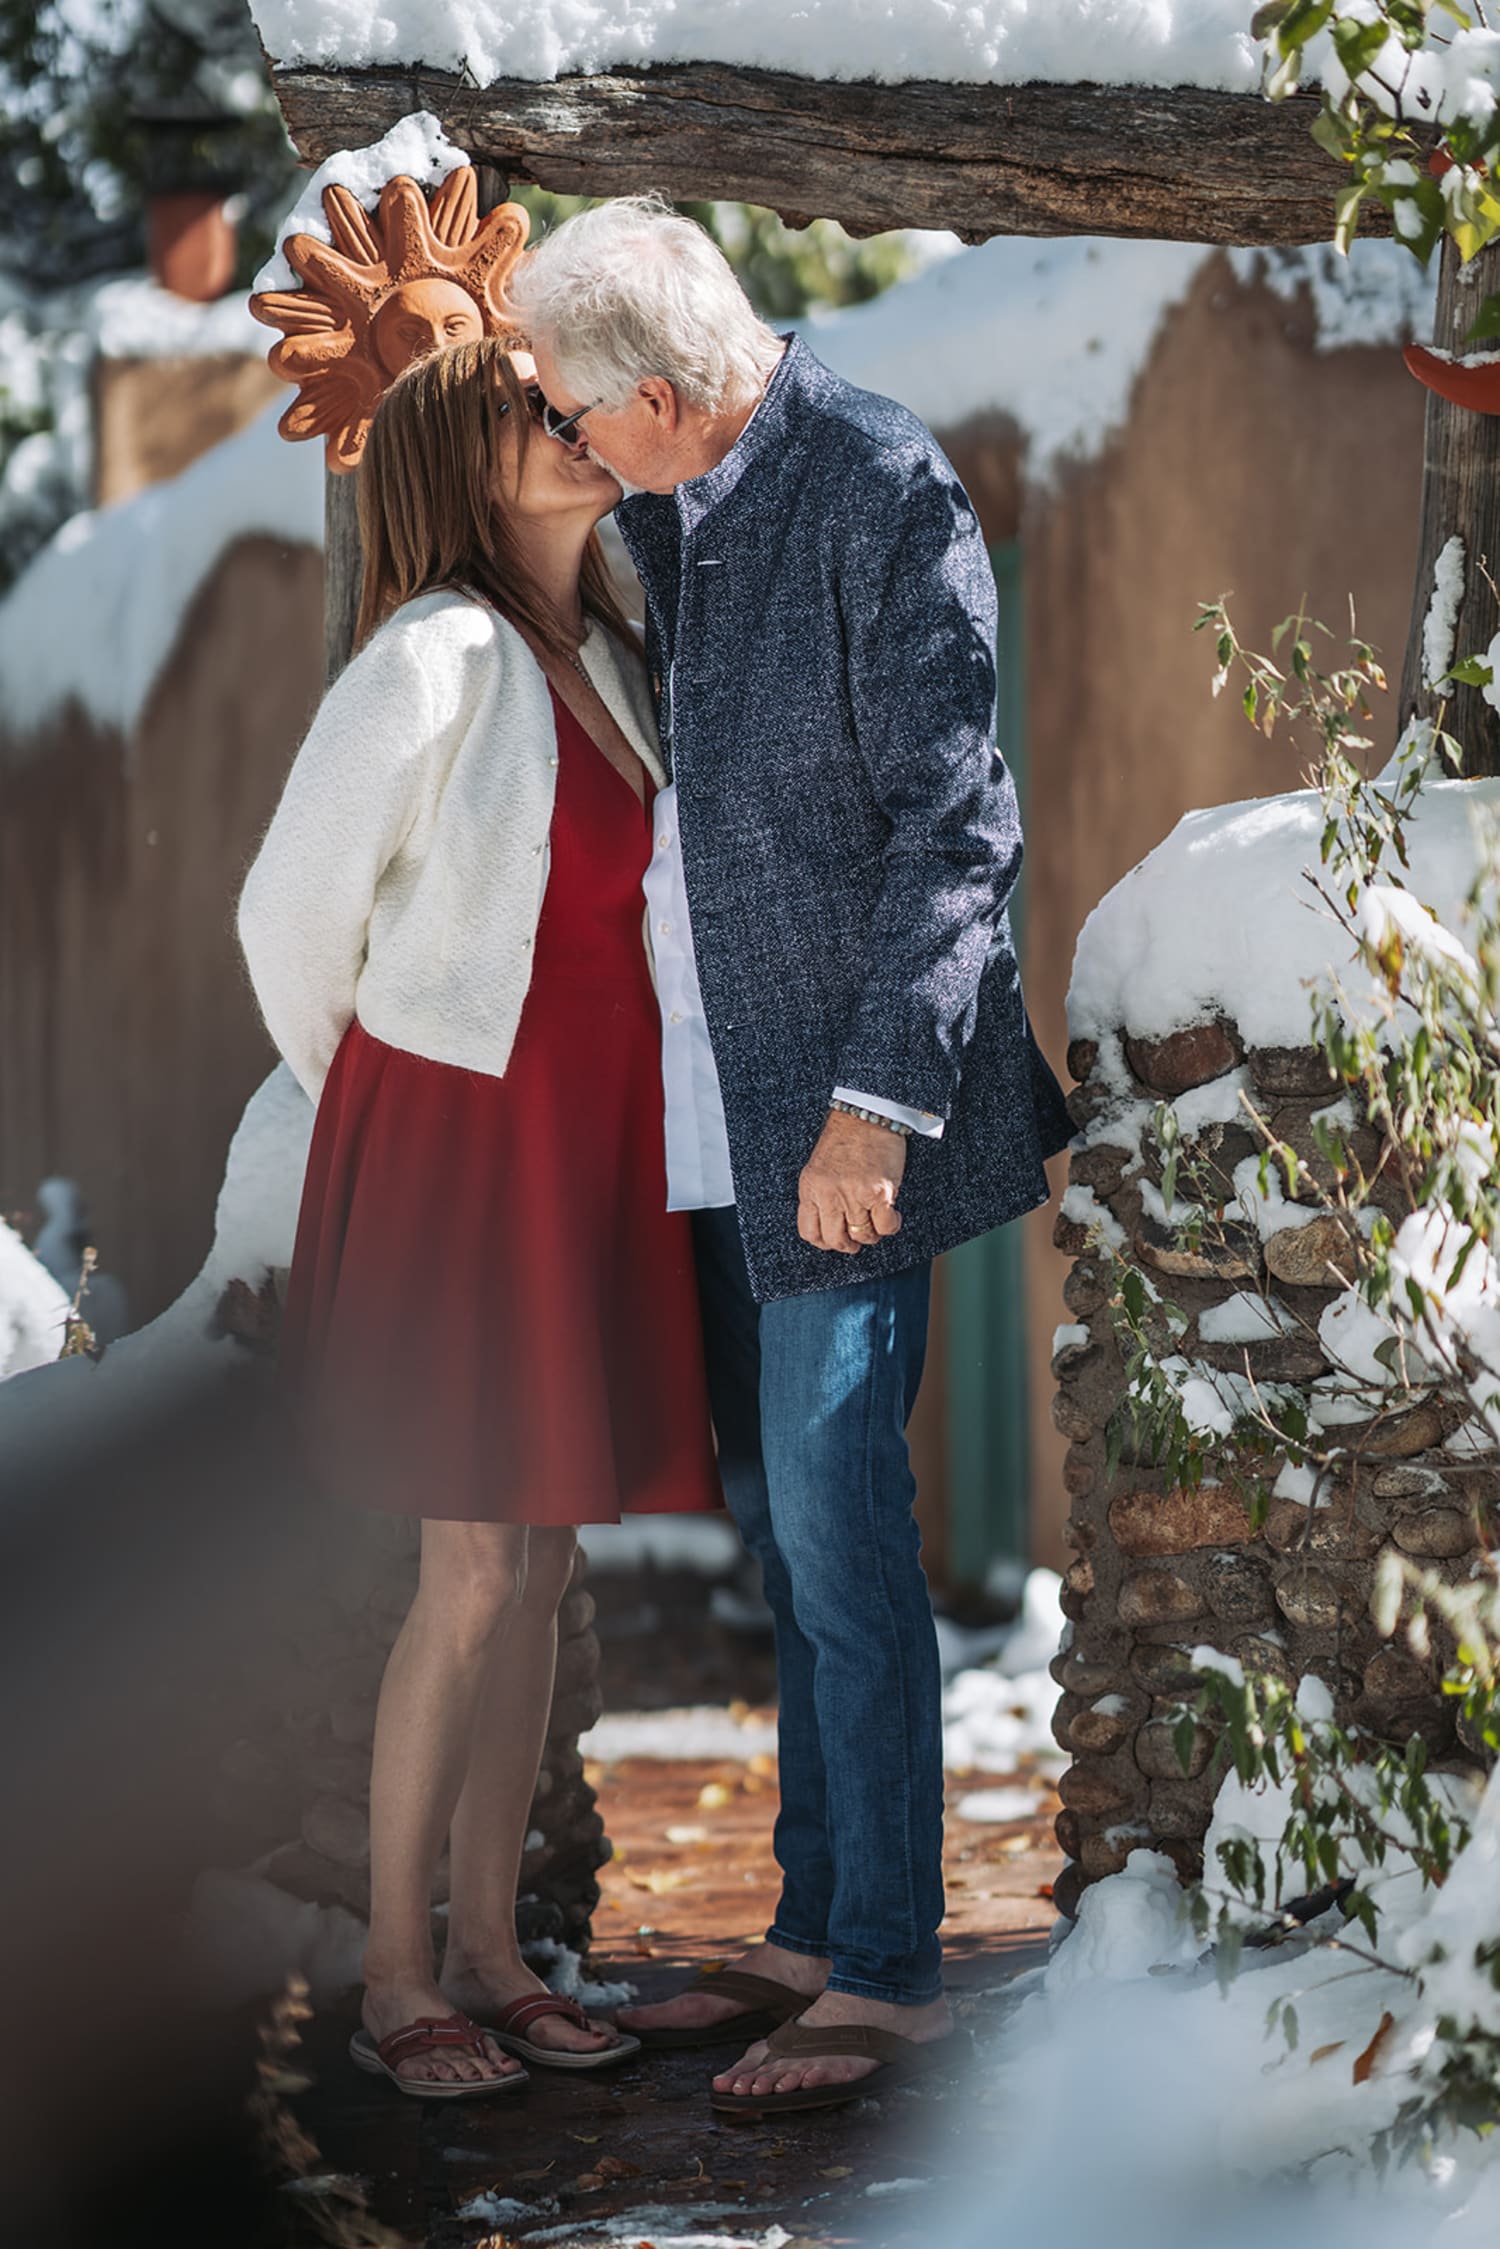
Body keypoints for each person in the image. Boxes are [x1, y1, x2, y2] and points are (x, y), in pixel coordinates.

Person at [510, 202, 1072, 2120]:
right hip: (721, 1115)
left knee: (842, 1534)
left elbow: (959, 828)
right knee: (782, 1521)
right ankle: (813, 1920)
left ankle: (894, 1969)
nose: (583, 455)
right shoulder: (682, 493)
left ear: (663, 397)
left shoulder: (878, 483)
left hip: (845, 1120)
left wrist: (871, 1111)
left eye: (593, 423)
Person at [238, 336, 723, 2100]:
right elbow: (287, 915)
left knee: (540, 1565)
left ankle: (499, 1950)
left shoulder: (603, 642)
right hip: (460, 1148)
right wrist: (389, 1097)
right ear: (462, 457)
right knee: (465, 1569)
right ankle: (390, 1972)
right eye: (536, 412)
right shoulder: (429, 653)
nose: (573, 426)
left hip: (583, 1155)